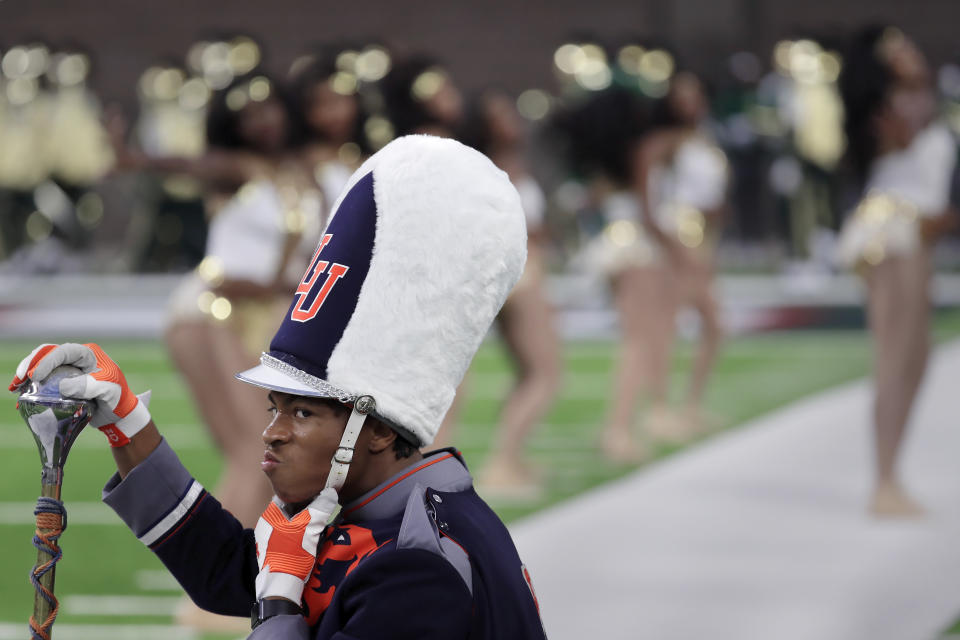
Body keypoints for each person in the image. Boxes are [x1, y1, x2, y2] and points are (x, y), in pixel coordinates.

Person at [10, 135, 546, 638]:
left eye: (303, 413)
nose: (272, 433)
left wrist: (278, 603)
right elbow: (224, 566)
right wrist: (127, 422)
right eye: (276, 408)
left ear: (378, 430)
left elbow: (263, 583)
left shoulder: (418, 564)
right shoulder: (375, 515)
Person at [836, 27, 958, 516]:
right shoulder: (889, 107)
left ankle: (892, 474)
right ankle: (883, 481)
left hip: (916, 234)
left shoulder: (922, 100)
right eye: (897, 50)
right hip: (890, 231)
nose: (911, 52)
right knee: (893, 354)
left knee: (918, 358)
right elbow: (904, 147)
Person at [454, 89, 562, 495]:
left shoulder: (510, 161)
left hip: (522, 269)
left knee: (529, 371)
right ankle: (502, 462)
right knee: (547, 373)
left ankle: (511, 458)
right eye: (501, 115)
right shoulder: (485, 166)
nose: (512, 121)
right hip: (519, 273)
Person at [633, 70, 728, 441]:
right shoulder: (660, 143)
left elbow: (713, 197)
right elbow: (648, 204)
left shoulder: (706, 140)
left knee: (713, 325)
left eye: (696, 93)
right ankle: (657, 408)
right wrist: (670, 245)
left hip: (703, 238)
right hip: (676, 236)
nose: (691, 102)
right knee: (665, 324)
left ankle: (691, 405)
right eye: (682, 95)